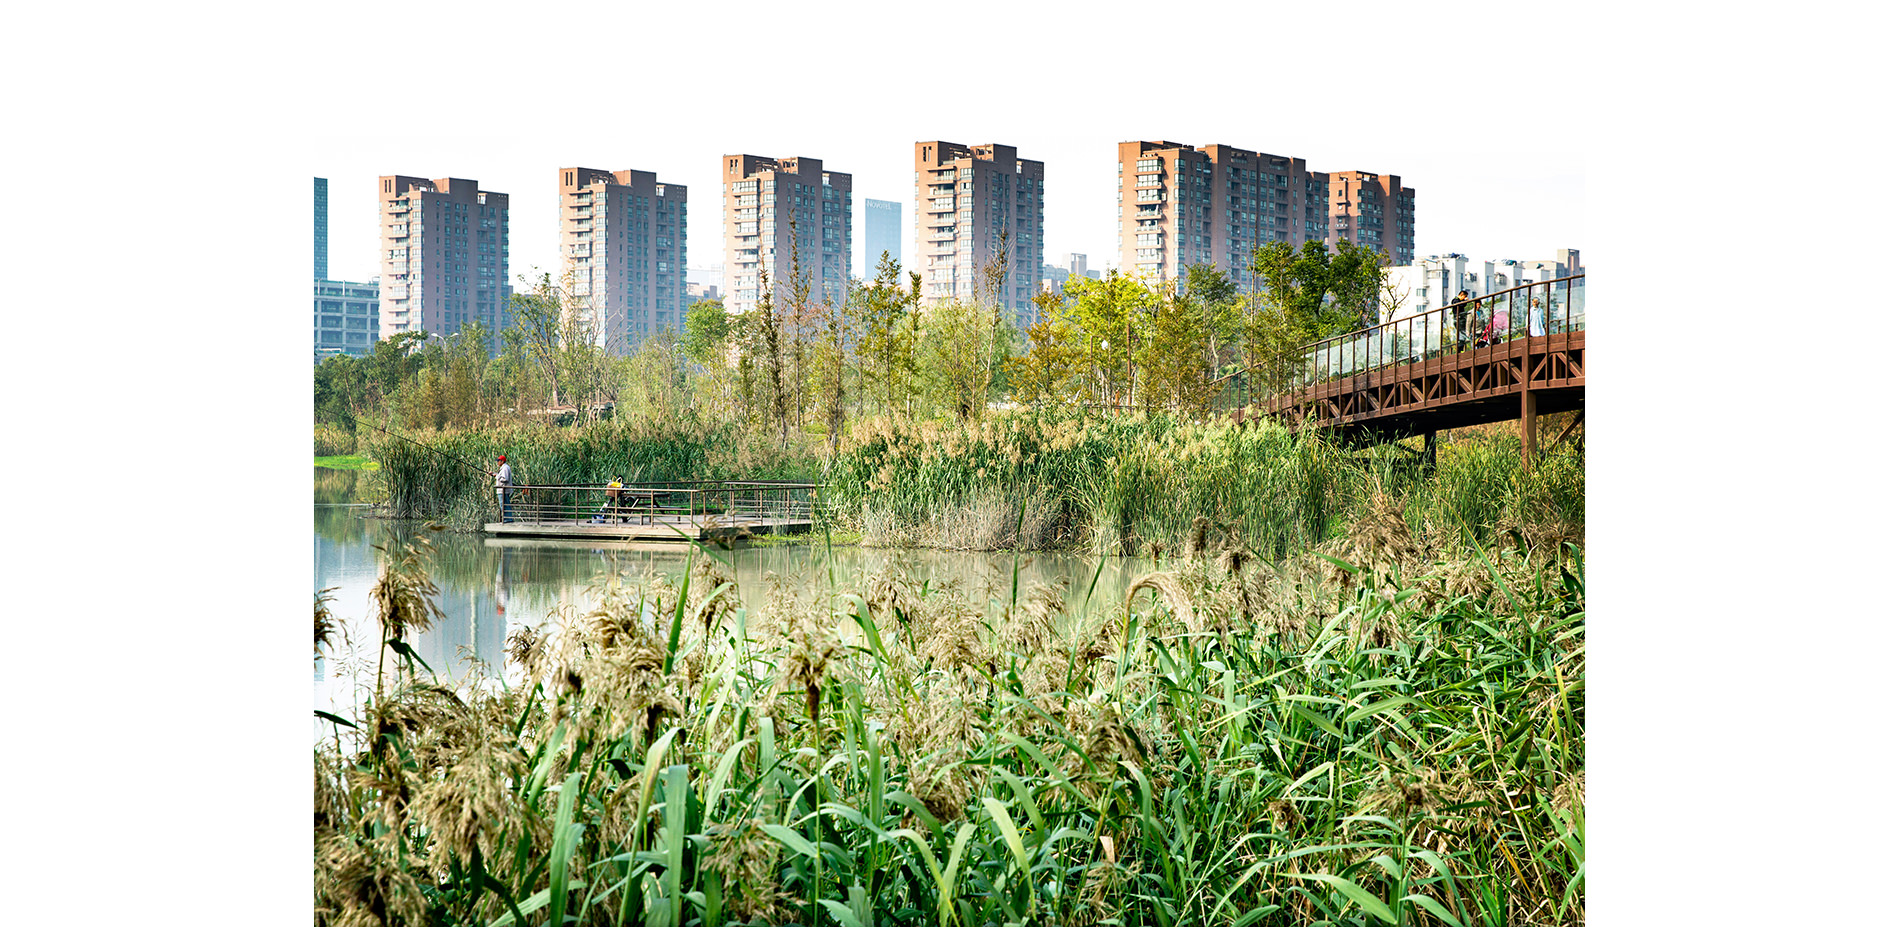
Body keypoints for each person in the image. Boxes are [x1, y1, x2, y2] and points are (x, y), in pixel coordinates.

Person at [494, 454, 513, 523]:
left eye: (498, 461)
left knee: (504, 505)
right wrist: (494, 474)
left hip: (503, 490)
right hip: (503, 490)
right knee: (505, 504)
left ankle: (507, 519)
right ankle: (508, 518)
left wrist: (497, 476)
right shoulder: (505, 467)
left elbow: (505, 479)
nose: (497, 462)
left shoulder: (505, 468)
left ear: (502, 461)